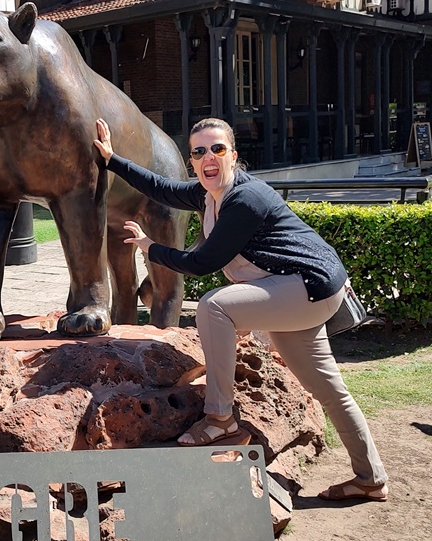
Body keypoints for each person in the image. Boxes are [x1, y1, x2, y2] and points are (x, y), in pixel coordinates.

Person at [93, 117, 389, 502]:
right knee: (329, 390)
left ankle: (220, 418)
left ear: (233, 155)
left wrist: (149, 247)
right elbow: (163, 189)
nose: (208, 157)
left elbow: (202, 263)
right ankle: (370, 478)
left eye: (217, 149)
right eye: (199, 152)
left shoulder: (244, 199)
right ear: (193, 161)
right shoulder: (207, 194)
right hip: (300, 290)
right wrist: (113, 159)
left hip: (306, 287)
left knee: (215, 307)